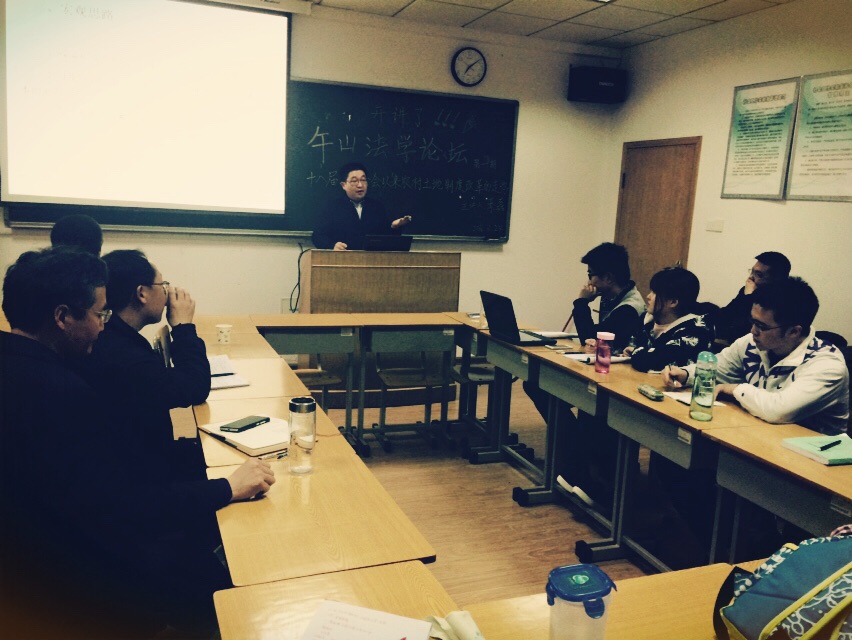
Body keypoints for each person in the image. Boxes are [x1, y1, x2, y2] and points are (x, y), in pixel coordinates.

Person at [1, 247, 275, 638]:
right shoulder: (62, 393)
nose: (103, 327)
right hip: (76, 577)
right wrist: (226, 488)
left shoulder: (29, 366)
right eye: (100, 315)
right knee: (234, 594)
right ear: (62, 317)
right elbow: (127, 505)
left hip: (30, 562)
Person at [78, 249, 211, 489]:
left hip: (136, 464)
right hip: (141, 482)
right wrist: (183, 327)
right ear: (142, 293)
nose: (167, 292)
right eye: (162, 285)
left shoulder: (114, 337)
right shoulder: (123, 355)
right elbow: (194, 387)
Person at [664, 276, 849, 435]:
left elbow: (778, 410)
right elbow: (719, 367)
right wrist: (685, 374)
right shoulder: (753, 342)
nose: (753, 330)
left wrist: (733, 389)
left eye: (762, 326)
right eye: (752, 321)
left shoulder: (827, 366)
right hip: (762, 436)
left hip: (813, 459)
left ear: (794, 331)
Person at [625, 267, 714, 373]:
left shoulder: (696, 331)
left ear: (673, 302)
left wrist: (636, 352)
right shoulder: (647, 319)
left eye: (655, 293)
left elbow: (653, 362)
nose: (648, 296)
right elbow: (629, 345)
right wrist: (636, 352)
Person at [312, 162, 412, 250]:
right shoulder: (332, 207)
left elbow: (385, 239)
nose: (360, 185)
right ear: (343, 185)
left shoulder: (376, 207)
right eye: (354, 181)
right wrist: (332, 246)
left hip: (371, 261)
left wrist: (394, 227)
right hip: (342, 260)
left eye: (363, 180)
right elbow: (318, 236)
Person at [572, 242, 646, 353]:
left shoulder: (628, 309)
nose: (589, 282)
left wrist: (582, 302)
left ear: (608, 278)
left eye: (590, 275)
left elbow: (591, 340)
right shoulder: (613, 297)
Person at [714, 251, 790, 343]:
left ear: (775, 280)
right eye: (752, 272)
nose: (750, 277)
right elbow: (726, 314)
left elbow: (743, 330)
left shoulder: (781, 301)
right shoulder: (749, 290)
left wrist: (748, 298)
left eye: (758, 275)